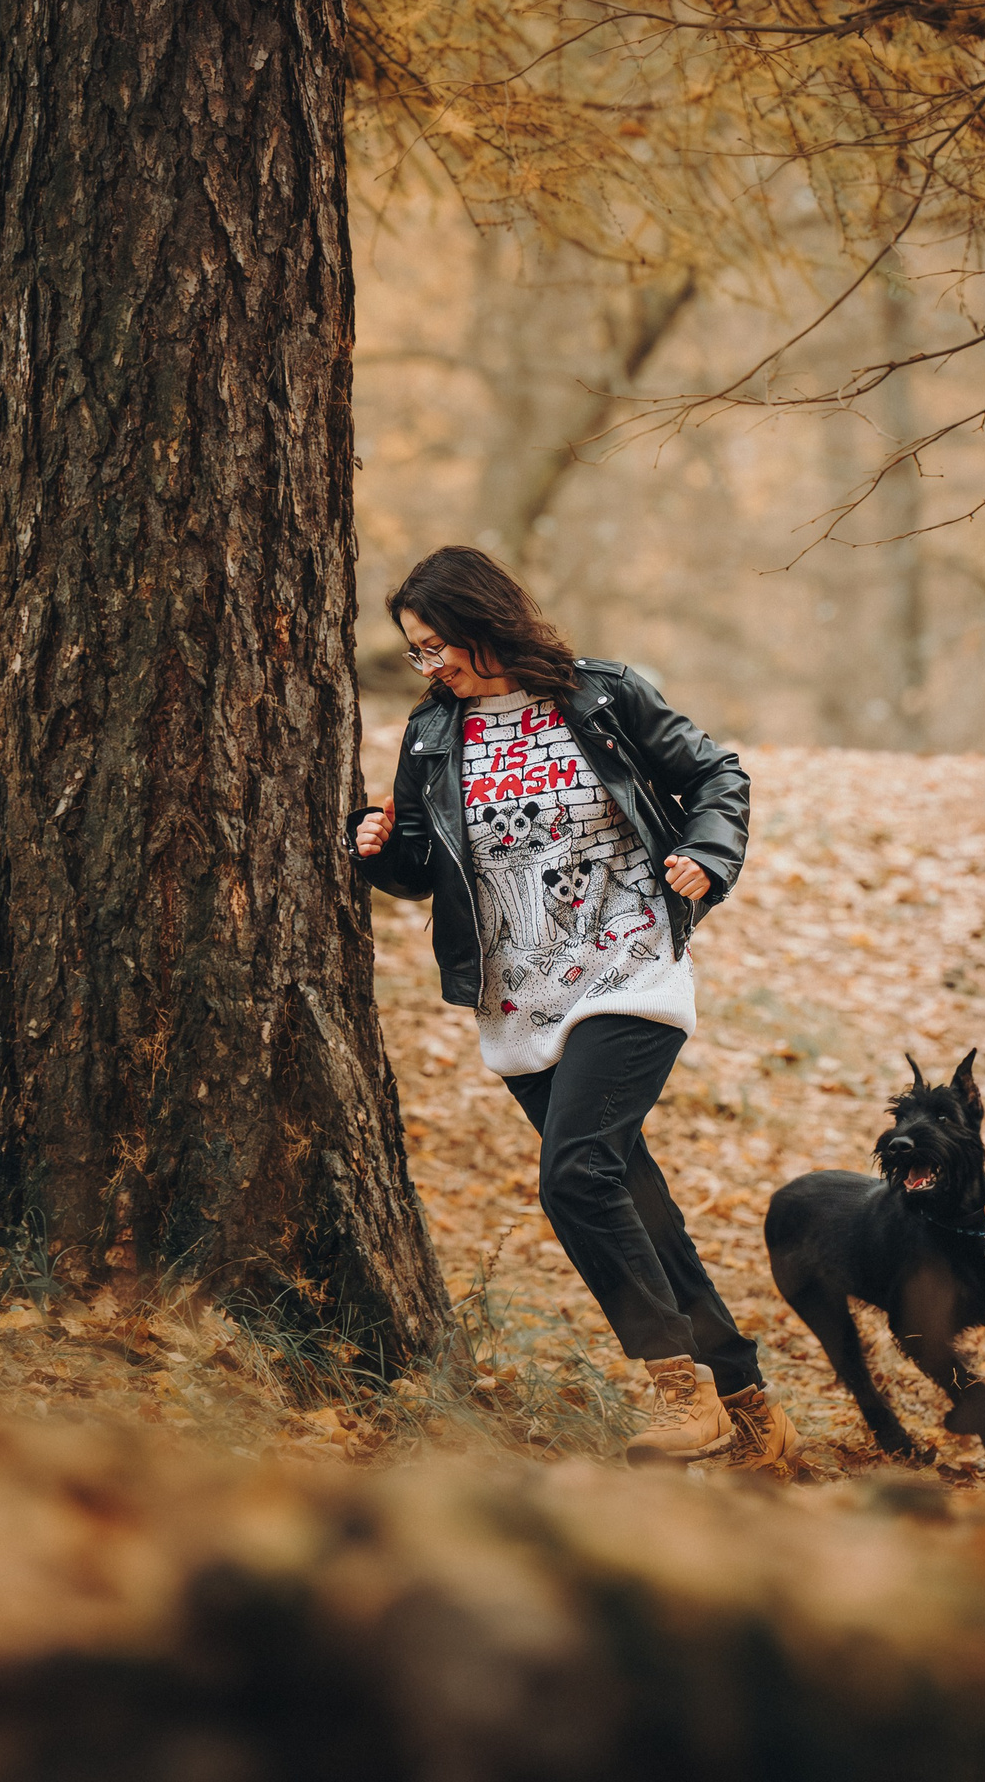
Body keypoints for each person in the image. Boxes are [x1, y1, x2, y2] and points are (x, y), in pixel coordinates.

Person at [348, 546, 796, 1471]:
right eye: (417, 653)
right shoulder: (435, 736)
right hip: (521, 993)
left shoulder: (601, 695)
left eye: (440, 647)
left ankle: (677, 1390)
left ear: (485, 623)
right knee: (636, 1200)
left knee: (576, 1176)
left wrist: (706, 859)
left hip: (629, 964)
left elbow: (719, 776)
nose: (432, 667)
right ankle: (746, 1400)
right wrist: (378, 849)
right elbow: (428, 873)